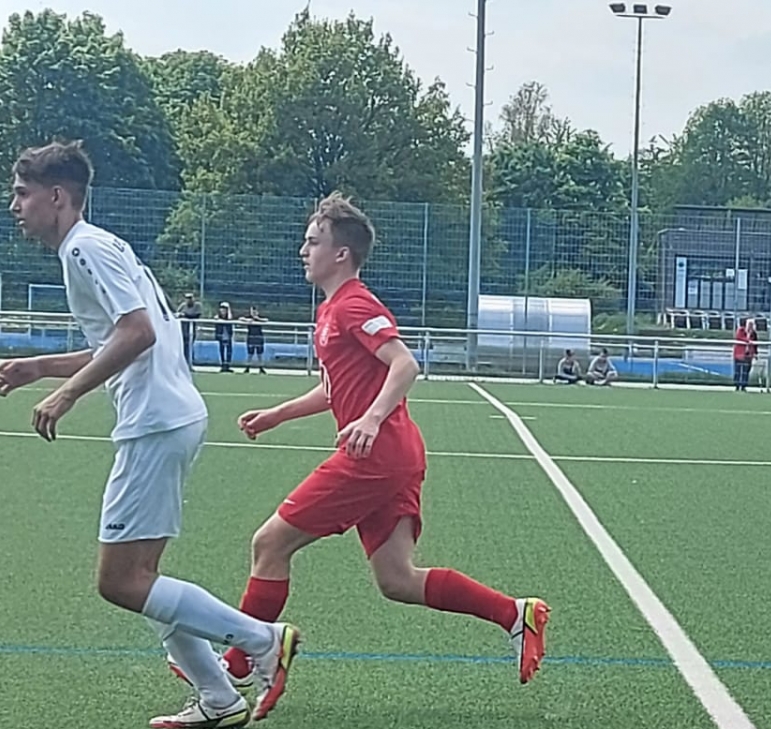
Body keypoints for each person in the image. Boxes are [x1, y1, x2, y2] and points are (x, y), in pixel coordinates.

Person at [0, 141, 297, 729]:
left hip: (155, 422)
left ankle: (262, 640)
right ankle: (219, 698)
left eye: (22, 194)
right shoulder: (97, 246)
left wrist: (67, 393)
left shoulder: (83, 248)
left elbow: (137, 334)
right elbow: (121, 338)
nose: (15, 205)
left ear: (56, 196)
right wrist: (40, 367)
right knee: (142, 577)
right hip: (167, 417)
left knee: (120, 581)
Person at [225, 193, 550, 690]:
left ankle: (238, 663)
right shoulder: (331, 310)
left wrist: (372, 420)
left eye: (313, 242)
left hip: (374, 457)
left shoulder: (354, 304)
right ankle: (514, 613)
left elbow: (404, 363)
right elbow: (335, 388)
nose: (303, 250)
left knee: (270, 543)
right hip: (393, 455)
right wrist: (277, 415)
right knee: (397, 579)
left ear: (341, 254)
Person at [240, 305, 268, 373]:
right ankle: (247, 367)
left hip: (259, 337)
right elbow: (241, 318)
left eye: (255, 311)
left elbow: (266, 320)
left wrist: (258, 319)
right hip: (251, 337)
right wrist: (248, 320)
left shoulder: (259, 317)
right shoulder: (248, 317)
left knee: (259, 354)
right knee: (250, 353)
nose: (253, 313)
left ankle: (261, 368)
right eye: (252, 311)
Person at [732, 319, 757, 392]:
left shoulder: (753, 333)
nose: (750, 326)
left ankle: (744, 386)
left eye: (752, 325)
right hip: (739, 354)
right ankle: (737, 385)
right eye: (749, 324)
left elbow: (755, 344)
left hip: (748, 355)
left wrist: (755, 353)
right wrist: (748, 340)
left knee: (746, 371)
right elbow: (739, 337)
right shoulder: (741, 330)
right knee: (737, 370)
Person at [177, 293, 201, 365]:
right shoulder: (183, 305)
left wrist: (185, 315)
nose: (188, 300)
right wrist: (180, 315)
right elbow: (177, 313)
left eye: (190, 298)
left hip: (191, 329)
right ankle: (184, 362)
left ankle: (190, 361)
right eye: (187, 298)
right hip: (183, 329)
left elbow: (196, 315)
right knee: (183, 345)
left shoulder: (197, 305)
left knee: (190, 345)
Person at [212, 302, 236, 373]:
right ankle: (223, 365)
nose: (223, 311)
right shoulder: (218, 316)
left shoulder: (229, 316)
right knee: (222, 350)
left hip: (228, 336)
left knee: (229, 351)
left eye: (225, 309)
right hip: (221, 336)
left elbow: (230, 318)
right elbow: (216, 319)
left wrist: (229, 309)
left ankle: (228, 365)